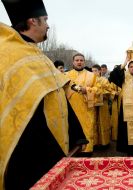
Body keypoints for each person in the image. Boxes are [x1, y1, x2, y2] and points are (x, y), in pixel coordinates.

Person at [0, 0, 86, 189]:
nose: (48, 25)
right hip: (29, 154)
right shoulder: (8, 53)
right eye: (45, 19)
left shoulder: (35, 53)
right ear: (33, 21)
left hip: (50, 148)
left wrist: (76, 135)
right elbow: (24, 110)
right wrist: (53, 156)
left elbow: (55, 95)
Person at [65, 53, 103, 155]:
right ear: (73, 62)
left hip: (87, 109)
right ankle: (72, 152)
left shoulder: (92, 75)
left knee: (87, 130)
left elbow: (98, 90)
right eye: (77, 60)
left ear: (84, 62)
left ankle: (87, 152)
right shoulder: (66, 75)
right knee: (71, 131)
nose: (79, 62)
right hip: (71, 109)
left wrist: (86, 89)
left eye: (81, 60)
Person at [92, 64, 113, 148]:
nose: (93, 73)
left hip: (103, 105)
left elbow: (110, 90)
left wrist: (102, 93)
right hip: (92, 105)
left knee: (103, 122)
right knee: (94, 122)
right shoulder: (90, 81)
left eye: (95, 71)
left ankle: (104, 142)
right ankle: (94, 142)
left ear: (100, 71)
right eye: (92, 71)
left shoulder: (104, 80)